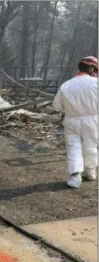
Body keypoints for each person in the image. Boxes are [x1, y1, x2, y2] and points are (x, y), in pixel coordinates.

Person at [53, 56, 98, 189]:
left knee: (73, 147)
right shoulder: (96, 83)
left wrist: (68, 110)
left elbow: (57, 106)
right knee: (90, 147)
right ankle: (90, 172)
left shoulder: (66, 85)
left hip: (71, 120)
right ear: (91, 68)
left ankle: (75, 176)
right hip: (93, 120)